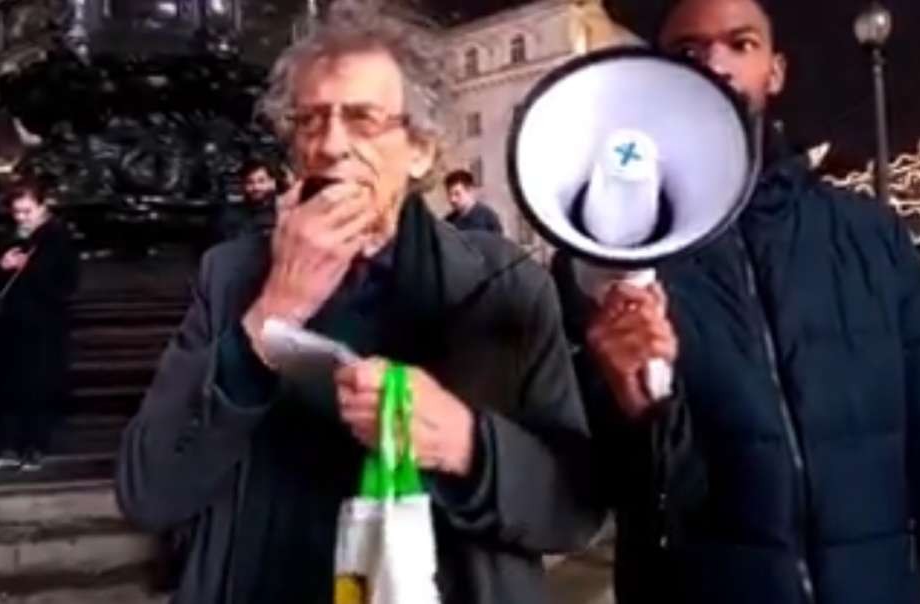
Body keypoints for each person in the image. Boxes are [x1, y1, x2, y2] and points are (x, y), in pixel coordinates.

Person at [115, 2, 594, 602]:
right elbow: (149, 489)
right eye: (310, 122)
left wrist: (465, 443)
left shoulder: (506, 282)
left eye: (362, 120)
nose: (330, 145)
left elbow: (574, 511)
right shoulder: (231, 274)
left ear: (420, 151)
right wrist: (272, 313)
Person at [557, 0, 920, 602]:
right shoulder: (609, 257)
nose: (715, 63)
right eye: (688, 51)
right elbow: (601, 491)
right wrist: (635, 410)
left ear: (776, 70)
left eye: (740, 44)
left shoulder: (870, 235)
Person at [0, 181, 80, 472]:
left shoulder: (58, 238)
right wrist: (2, 266)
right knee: (9, 386)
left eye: (27, 212)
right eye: (17, 213)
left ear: (42, 207)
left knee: (38, 387)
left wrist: (30, 268)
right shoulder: (11, 238)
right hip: (11, 325)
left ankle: (35, 447)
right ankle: (9, 446)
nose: (21, 219)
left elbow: (66, 285)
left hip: (44, 327)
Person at [211, 159, 280, 242]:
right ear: (243, 186)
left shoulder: (284, 212)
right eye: (249, 182)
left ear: (272, 183)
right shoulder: (230, 216)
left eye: (261, 181)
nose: (256, 187)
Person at [444, 169, 503, 234]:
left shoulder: (488, 218)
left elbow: (498, 243)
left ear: (470, 190)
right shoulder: (448, 222)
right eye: (449, 194)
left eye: (457, 194)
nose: (452, 199)